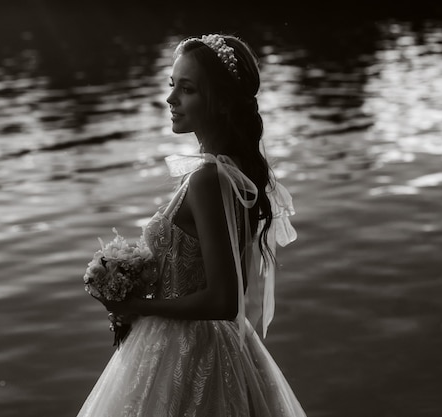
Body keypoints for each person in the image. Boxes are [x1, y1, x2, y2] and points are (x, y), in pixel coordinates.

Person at [77, 34, 306, 417]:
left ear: (218, 101)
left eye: (187, 89)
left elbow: (225, 299)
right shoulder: (227, 174)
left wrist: (136, 306)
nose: (171, 99)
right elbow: (229, 286)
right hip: (213, 342)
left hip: (188, 352)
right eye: (172, 86)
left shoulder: (210, 179)